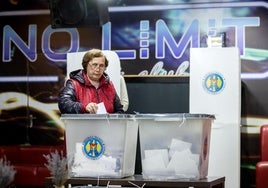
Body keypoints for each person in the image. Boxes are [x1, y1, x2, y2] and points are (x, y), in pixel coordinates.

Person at [58, 49, 124, 114]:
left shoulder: (109, 85)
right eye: (94, 65)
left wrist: (110, 117)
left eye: (101, 66)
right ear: (86, 65)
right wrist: (84, 107)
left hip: (107, 124)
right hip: (82, 125)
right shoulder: (74, 83)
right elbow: (64, 104)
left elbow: (120, 111)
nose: (98, 69)